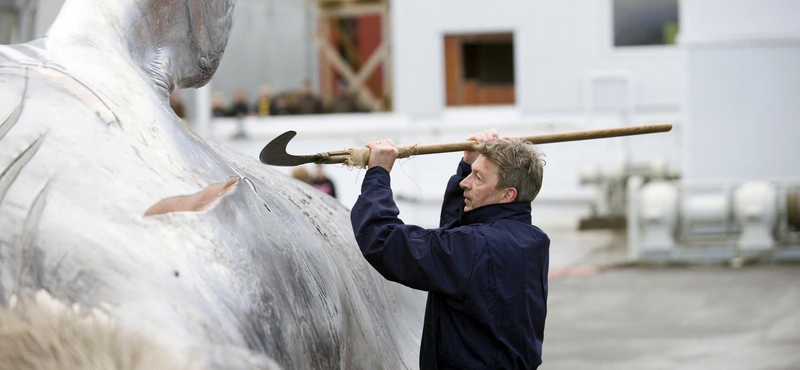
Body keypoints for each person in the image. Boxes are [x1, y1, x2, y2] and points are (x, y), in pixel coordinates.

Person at [351, 130, 549, 369]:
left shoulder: (475, 247)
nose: (464, 183)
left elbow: (382, 241)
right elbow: (457, 239)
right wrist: (469, 165)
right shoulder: (533, 241)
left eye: (478, 178)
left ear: (508, 194)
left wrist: (378, 174)